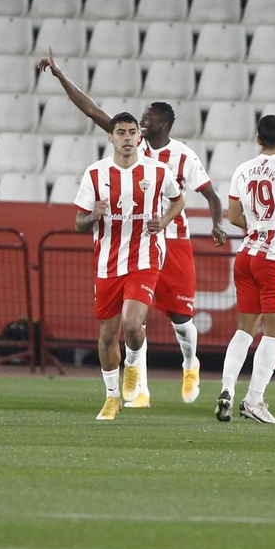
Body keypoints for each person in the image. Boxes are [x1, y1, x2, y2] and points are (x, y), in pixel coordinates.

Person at [37, 51, 226, 406]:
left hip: (174, 238)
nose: (138, 124)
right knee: (134, 320)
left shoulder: (183, 156)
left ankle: (190, 363)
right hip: (135, 244)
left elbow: (211, 196)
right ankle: (139, 386)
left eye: (146, 120)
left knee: (181, 318)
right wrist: (61, 76)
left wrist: (216, 223)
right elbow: (92, 111)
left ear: (162, 125)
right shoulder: (129, 143)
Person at [73, 112, 185, 421]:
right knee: (108, 335)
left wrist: (162, 221)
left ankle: (133, 364)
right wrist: (93, 217)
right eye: (119, 132)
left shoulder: (158, 171)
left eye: (131, 132)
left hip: (144, 260)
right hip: (107, 264)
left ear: (139, 137)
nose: (126, 137)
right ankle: (112, 397)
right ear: (110, 137)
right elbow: (78, 223)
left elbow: (178, 200)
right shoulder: (95, 175)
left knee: (133, 324)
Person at [217, 115, 275, 426]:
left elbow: (234, 215)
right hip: (274, 259)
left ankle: (227, 388)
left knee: (245, 329)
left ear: (258, 140)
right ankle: (254, 400)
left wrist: (256, 227)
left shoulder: (243, 169)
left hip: (246, 256)